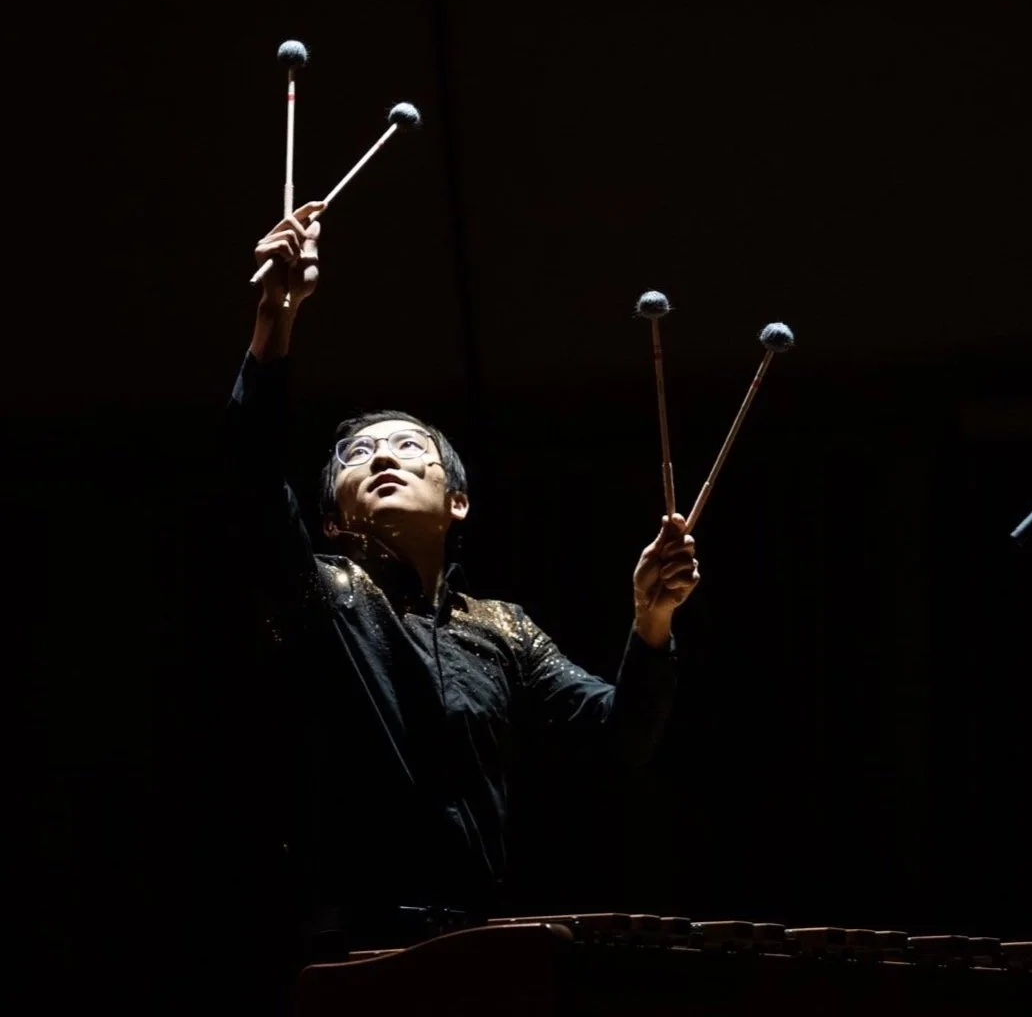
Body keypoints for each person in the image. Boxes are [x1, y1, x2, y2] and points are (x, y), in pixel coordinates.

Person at [226, 202, 699, 958]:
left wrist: (651, 620)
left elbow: (620, 740)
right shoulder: (320, 594)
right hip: (347, 945)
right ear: (330, 518)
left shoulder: (504, 629)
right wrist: (272, 323)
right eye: (355, 456)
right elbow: (250, 477)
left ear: (457, 501)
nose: (380, 458)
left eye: (409, 447)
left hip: (471, 944)